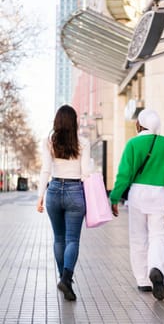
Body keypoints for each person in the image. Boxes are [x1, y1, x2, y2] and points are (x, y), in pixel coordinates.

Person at [109, 109, 164, 301]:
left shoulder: (132, 143)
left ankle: (143, 280)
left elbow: (124, 175)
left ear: (139, 125)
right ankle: (156, 267)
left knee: (138, 237)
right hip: (160, 193)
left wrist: (114, 198)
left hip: (138, 195)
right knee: (158, 235)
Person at [36, 104, 91, 301]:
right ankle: (66, 279)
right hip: (76, 191)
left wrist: (40, 196)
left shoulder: (48, 142)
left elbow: (45, 170)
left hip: (53, 190)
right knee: (72, 240)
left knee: (59, 239)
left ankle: (63, 278)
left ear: (57, 122)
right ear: (74, 122)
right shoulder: (83, 142)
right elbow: (85, 173)